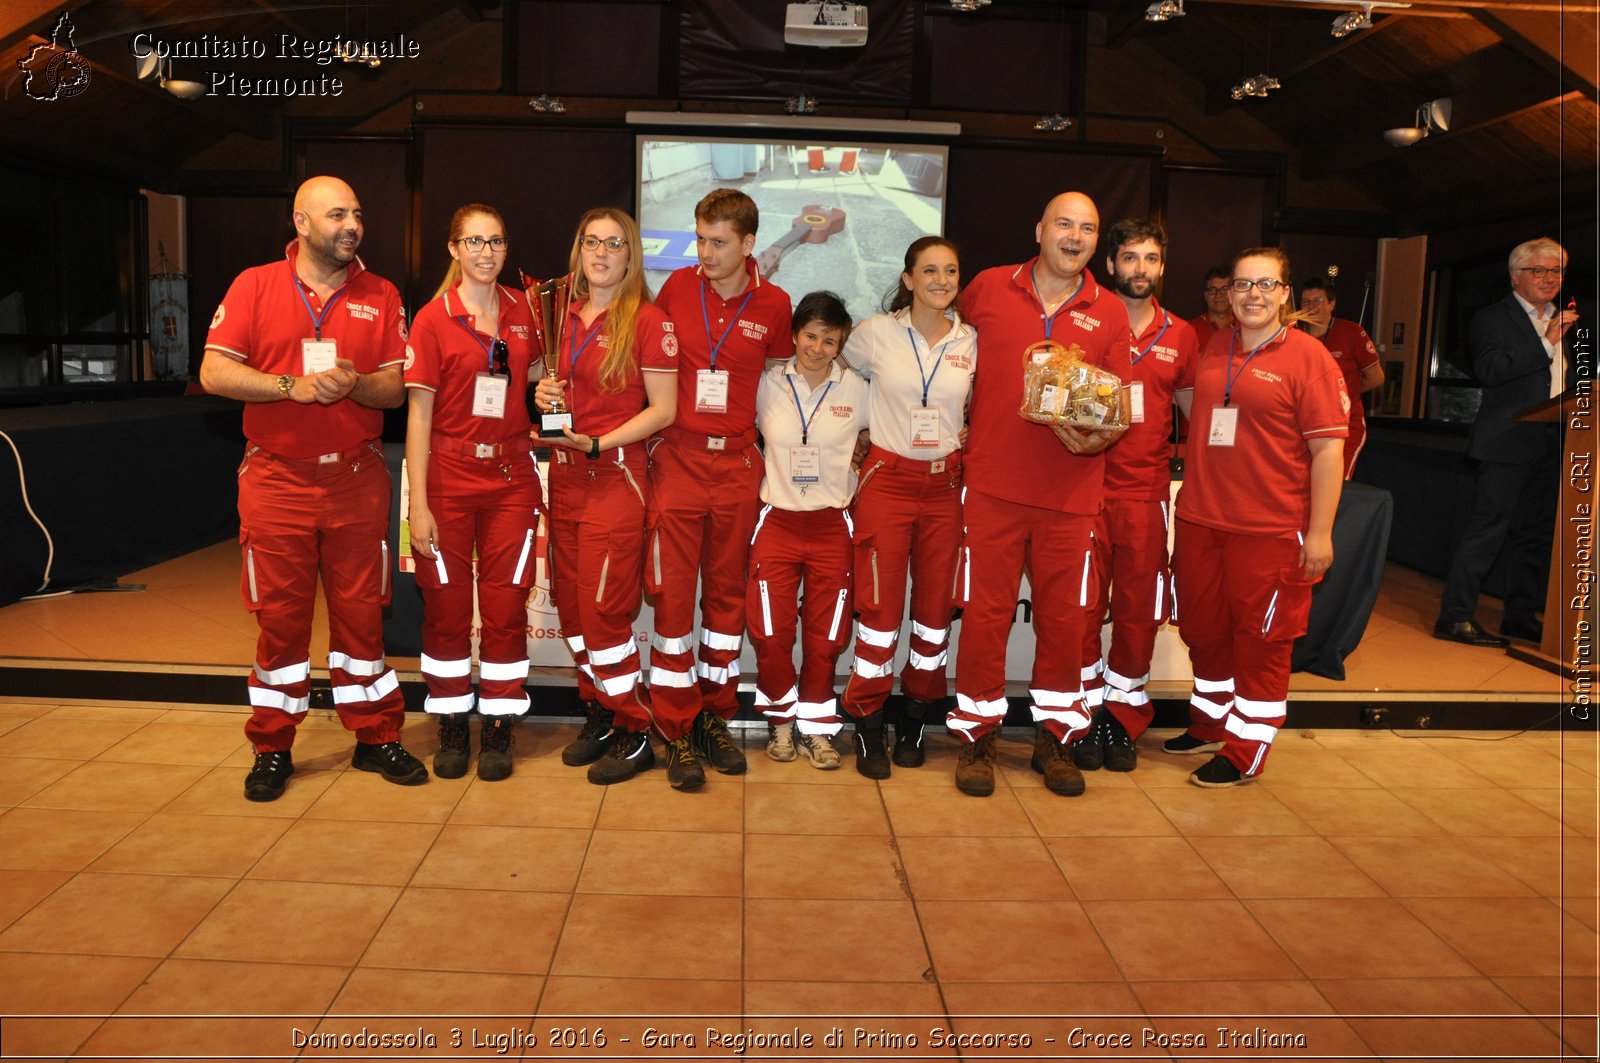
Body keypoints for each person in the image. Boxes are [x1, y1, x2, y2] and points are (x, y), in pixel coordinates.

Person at [200, 175, 425, 802]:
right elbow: (213, 370)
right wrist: (286, 387)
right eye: (336, 215)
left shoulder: (380, 294)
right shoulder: (254, 284)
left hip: (356, 477)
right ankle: (272, 747)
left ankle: (375, 737)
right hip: (276, 479)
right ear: (301, 223)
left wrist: (353, 383)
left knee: (362, 619)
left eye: (356, 213)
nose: (351, 225)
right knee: (280, 621)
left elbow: (395, 388)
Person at [946, 191, 1131, 798]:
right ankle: (976, 738)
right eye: (1064, 224)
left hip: (1072, 494)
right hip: (993, 487)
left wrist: (1098, 440)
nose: (1074, 237)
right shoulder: (988, 288)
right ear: (1039, 229)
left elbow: (1118, 407)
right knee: (985, 620)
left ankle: (1058, 739)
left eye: (1087, 228)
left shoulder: (1109, 313)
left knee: (1067, 623)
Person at [628, 189, 794, 783]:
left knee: (727, 601)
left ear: (749, 244)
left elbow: (781, 387)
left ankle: (714, 716)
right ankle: (672, 726)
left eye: (718, 242)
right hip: (677, 461)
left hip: (739, 469)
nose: (705, 252)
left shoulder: (776, 304)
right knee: (673, 598)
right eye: (700, 239)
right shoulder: (675, 290)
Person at [1166, 247, 1347, 787]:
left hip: (1270, 529)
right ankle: (1211, 721)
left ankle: (1247, 746)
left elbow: (1328, 453)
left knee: (1261, 643)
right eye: (1243, 285)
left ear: (1285, 293)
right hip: (1201, 518)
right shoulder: (1217, 344)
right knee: (1203, 630)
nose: (1252, 295)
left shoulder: (1310, 358)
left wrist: (1319, 533)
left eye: (1266, 285)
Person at [533, 208, 678, 785]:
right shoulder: (559, 313)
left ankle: (636, 728)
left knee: (603, 615)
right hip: (563, 476)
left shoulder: (648, 320)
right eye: (590, 241)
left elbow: (663, 409)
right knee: (571, 612)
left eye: (613, 244)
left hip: (615, 477)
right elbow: (546, 386)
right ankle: (602, 711)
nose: (600, 253)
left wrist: (597, 442)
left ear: (630, 254)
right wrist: (542, 394)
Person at [403, 203, 541, 781]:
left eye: (497, 241)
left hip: (511, 479)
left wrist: (551, 389)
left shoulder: (528, 312)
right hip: (449, 481)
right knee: (447, 611)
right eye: (475, 242)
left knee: (508, 609)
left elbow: (534, 379)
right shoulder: (433, 320)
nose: (487, 252)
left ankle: (501, 725)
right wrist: (419, 505)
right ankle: (454, 722)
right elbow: (417, 417)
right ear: (454, 249)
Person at [839, 236, 975, 777]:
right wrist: (852, 427)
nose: (941, 280)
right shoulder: (875, 335)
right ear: (908, 279)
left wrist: (969, 428)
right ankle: (869, 720)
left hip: (945, 488)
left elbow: (983, 401)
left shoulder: (972, 340)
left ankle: (916, 715)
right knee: (878, 612)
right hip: (887, 483)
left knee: (935, 614)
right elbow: (828, 370)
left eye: (951, 270)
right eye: (930, 271)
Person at [1072, 219, 1197, 774]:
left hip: (1146, 497)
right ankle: (1078, 720)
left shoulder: (1184, 335)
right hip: (1084, 492)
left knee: (1137, 616)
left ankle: (1121, 721)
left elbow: (1199, 416)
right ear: (1111, 265)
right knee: (1076, 615)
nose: (1139, 268)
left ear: (1162, 267)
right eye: (1129, 258)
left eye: (1149, 258)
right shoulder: (1088, 323)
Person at [1435, 237, 1576, 647]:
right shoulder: (1492, 318)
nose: (1550, 278)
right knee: (1487, 531)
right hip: (1506, 442)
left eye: (1556, 271)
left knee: (1536, 535)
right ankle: (1455, 616)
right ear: (1516, 276)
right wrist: (1546, 341)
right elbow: (1492, 371)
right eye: (1540, 270)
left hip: (1555, 439)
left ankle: (1519, 615)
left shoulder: (1570, 320)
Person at [749, 291, 869, 769]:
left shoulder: (857, 389)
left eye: (829, 341)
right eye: (810, 336)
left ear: (841, 344)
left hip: (831, 523)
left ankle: (817, 728)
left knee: (826, 637)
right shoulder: (767, 384)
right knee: (772, 632)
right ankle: (781, 723)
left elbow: (892, 431)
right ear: (795, 334)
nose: (817, 348)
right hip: (776, 519)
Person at [1298, 277, 1383, 478]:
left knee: (1334, 485)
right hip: (1303, 425)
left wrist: (1341, 393)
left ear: (1331, 304)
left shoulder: (1351, 332)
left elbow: (1376, 378)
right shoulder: (1293, 335)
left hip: (1344, 426)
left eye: (1317, 301)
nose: (1310, 306)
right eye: (1305, 301)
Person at [1188, 267, 1234, 350]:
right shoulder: (1190, 330)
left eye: (1224, 289)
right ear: (1206, 296)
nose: (1219, 295)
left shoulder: (1245, 328)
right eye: (1212, 290)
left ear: (1234, 294)